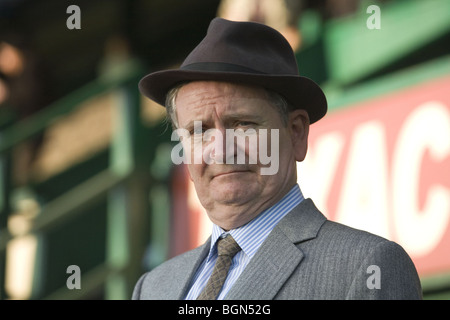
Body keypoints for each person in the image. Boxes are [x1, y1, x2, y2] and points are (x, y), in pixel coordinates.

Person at [132, 17, 422, 300]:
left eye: (242, 124)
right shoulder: (153, 288)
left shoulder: (367, 266)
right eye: (199, 130)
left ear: (296, 133)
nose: (220, 149)